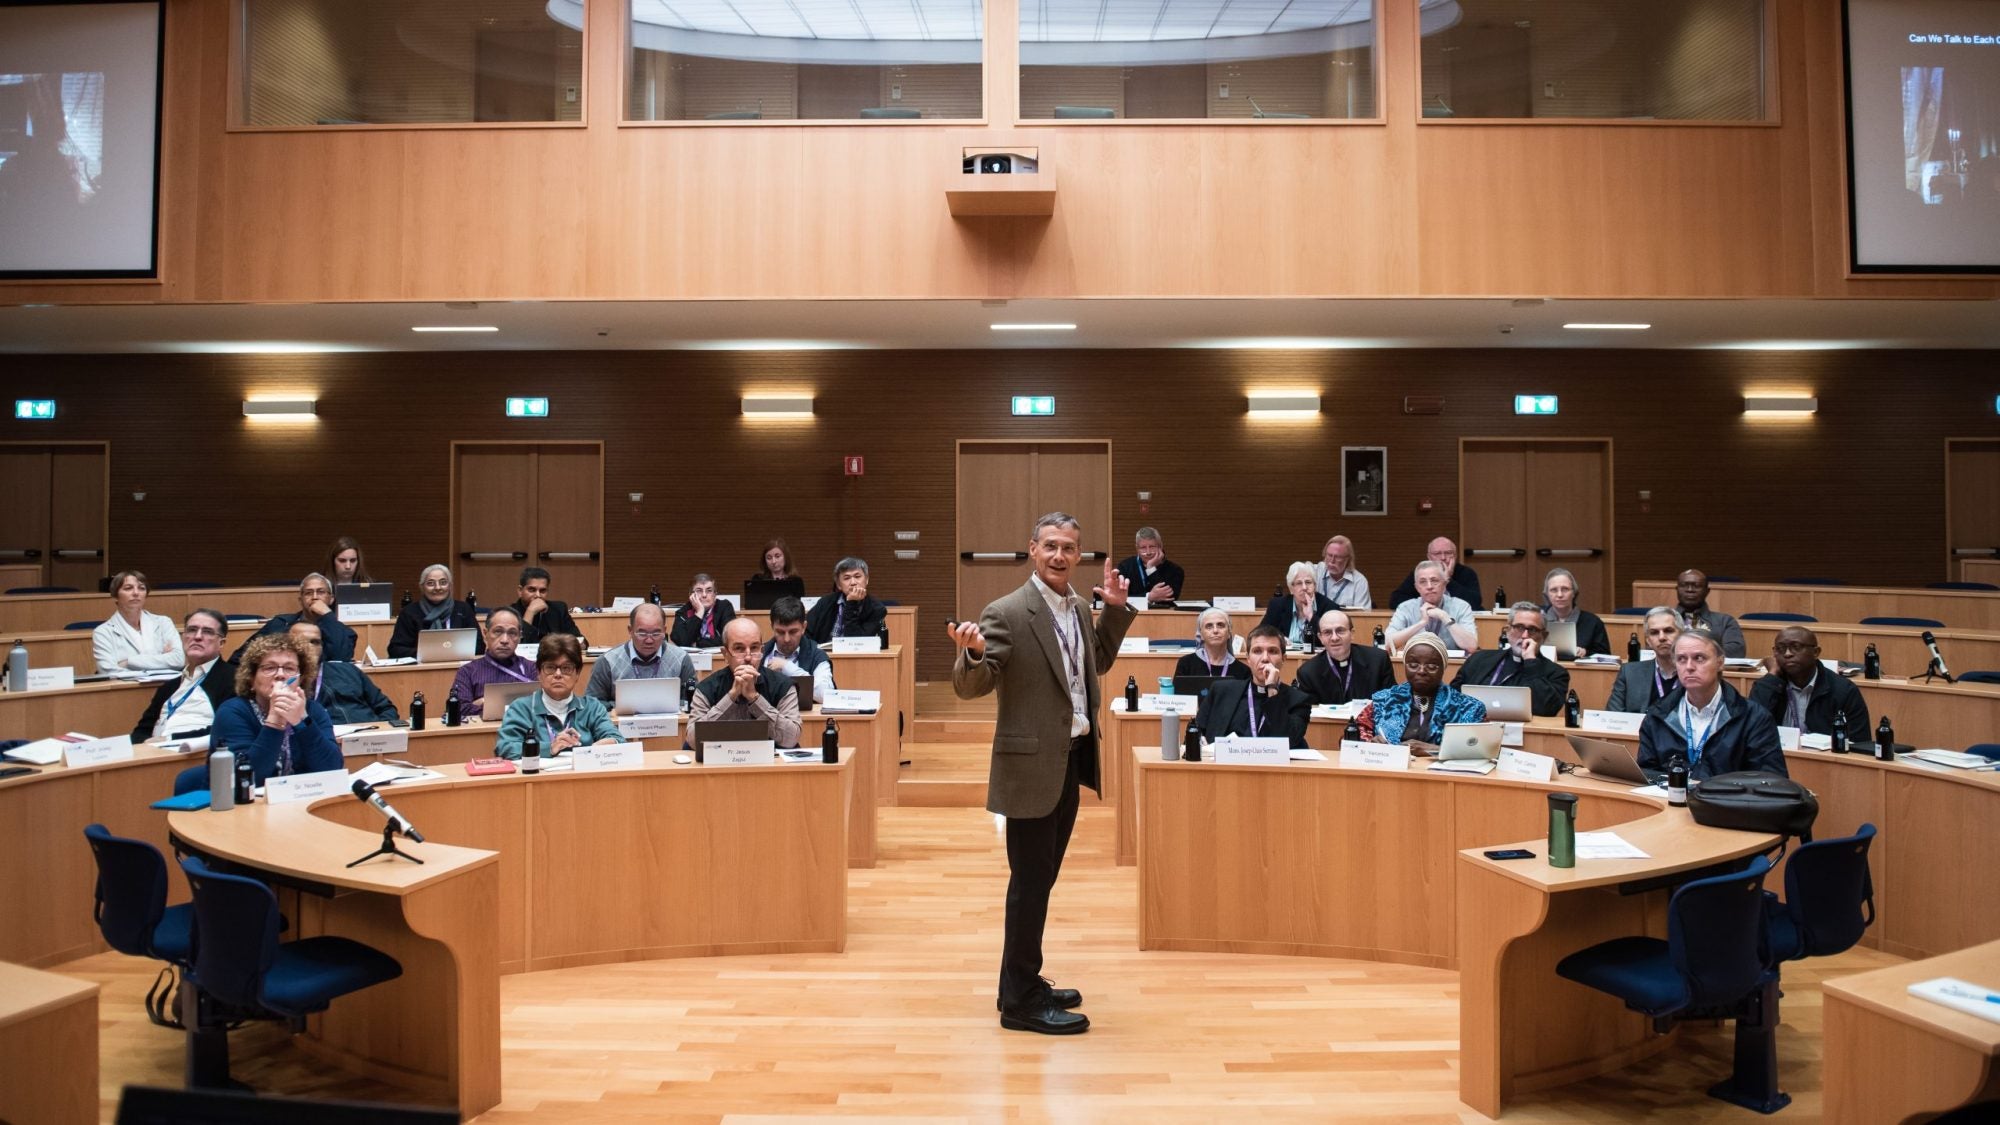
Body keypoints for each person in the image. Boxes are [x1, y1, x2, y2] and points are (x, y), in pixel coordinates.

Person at [949, 511, 1135, 1036]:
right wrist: (972, 653)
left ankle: (1019, 983)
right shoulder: (1007, 611)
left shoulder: (1077, 606)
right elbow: (973, 687)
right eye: (1050, 546)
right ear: (1032, 549)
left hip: (1071, 757)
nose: (1059, 556)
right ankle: (1022, 1002)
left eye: (1069, 548)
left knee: (1041, 880)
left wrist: (1114, 613)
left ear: (1079, 555)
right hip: (1030, 767)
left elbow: (1093, 661)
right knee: (1029, 884)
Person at [1638, 632, 1787, 781]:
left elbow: (1771, 780)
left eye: (1699, 658)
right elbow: (1645, 774)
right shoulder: (1657, 715)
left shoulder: (1754, 717)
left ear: (1720, 663)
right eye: (1681, 659)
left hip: (1727, 802)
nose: (1689, 667)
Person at [212, 633, 343, 783]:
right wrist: (275, 720)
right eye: (269, 668)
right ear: (251, 679)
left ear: (301, 679)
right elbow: (247, 780)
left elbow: (333, 770)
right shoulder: (233, 712)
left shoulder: (313, 711)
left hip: (302, 799)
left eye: (289, 668)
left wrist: (303, 722)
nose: (280, 675)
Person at [1354, 632, 1487, 752]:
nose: (1421, 671)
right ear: (1405, 665)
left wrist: (1435, 750)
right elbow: (1352, 736)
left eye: (1431, 666)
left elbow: (1482, 749)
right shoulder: (1384, 700)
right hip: (1392, 774)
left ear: (1443, 668)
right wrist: (1370, 744)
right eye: (1413, 665)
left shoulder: (1469, 707)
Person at [494, 634, 620, 760]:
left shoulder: (592, 708)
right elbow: (505, 748)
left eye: (566, 668)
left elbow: (618, 740)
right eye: (550, 667)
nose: (558, 674)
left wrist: (607, 744)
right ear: (538, 672)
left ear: (577, 673)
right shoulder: (521, 708)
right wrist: (549, 748)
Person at [688, 616, 803, 749]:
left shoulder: (783, 686)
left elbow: (791, 739)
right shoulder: (706, 688)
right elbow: (692, 740)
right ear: (725, 654)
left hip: (769, 766)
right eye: (739, 649)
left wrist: (755, 698)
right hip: (720, 765)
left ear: (762, 651)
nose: (748, 657)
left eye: (754, 648)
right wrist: (730, 698)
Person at [1193, 626, 1312, 748]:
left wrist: (1272, 688)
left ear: (1283, 659)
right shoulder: (1221, 691)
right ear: (1248, 659)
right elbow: (1194, 734)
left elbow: (1287, 741)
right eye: (1257, 651)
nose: (1265, 658)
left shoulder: (1299, 700)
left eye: (1272, 651)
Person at [1748, 626, 1871, 743]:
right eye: (1780, 648)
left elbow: (1859, 742)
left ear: (1816, 652)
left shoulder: (1843, 690)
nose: (1787, 654)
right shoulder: (1768, 686)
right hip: (1776, 758)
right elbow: (1751, 728)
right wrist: (1772, 675)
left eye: (1796, 647)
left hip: (1825, 760)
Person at [131, 610, 235, 741]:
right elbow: (140, 733)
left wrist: (170, 739)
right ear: (183, 637)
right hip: (152, 754)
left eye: (207, 632)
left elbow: (226, 729)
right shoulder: (168, 687)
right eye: (192, 630)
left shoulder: (233, 679)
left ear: (221, 643)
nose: (197, 637)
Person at [1452, 603, 1571, 716]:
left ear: (1544, 637)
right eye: (1519, 627)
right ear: (1508, 630)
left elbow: (1546, 709)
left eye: (1532, 630)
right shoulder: (1478, 659)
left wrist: (1530, 661)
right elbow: (1451, 698)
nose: (1525, 636)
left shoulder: (1557, 673)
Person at [585, 602, 698, 704]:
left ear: (664, 631)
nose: (649, 640)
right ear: (630, 630)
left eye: (656, 633)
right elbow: (591, 705)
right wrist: (619, 707)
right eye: (642, 633)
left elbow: (692, 702)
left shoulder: (681, 659)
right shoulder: (607, 661)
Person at [290, 620, 398, 723]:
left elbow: (386, 708)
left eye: (315, 642)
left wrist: (381, 732)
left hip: (369, 735)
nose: (310, 647)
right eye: (302, 641)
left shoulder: (349, 670)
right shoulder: (286, 680)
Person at [242, 573, 357, 663]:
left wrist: (327, 615)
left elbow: (341, 659)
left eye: (321, 592)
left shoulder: (344, 632)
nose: (315, 597)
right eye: (308, 593)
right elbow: (241, 656)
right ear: (300, 600)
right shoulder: (279, 624)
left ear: (331, 599)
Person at [449, 606, 537, 721]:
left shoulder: (531, 668)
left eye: (512, 633)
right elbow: (458, 709)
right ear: (485, 634)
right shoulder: (467, 671)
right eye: (498, 632)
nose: (504, 640)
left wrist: (484, 704)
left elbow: (540, 705)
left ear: (520, 636)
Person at [1294, 608, 1394, 706]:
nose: (1334, 638)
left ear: (1352, 634)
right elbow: (1308, 716)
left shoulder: (1378, 661)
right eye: (1327, 632)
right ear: (1320, 638)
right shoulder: (1308, 672)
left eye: (1340, 631)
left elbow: (1392, 703)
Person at [93, 569, 184, 674]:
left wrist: (129, 662)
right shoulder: (103, 632)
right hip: (126, 689)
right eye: (128, 588)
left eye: (141, 588)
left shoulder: (164, 623)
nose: (136, 593)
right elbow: (108, 671)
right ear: (115, 596)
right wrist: (161, 660)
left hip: (164, 686)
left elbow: (178, 660)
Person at [388, 564, 481, 659]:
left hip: (459, 666)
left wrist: (450, 651)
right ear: (422, 587)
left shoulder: (463, 609)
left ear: (450, 586)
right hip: (419, 668)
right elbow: (395, 650)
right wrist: (428, 652)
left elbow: (479, 646)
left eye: (443, 582)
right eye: (430, 583)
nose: (437, 587)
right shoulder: (409, 612)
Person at [1386, 561, 1479, 653]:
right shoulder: (1405, 607)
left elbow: (1471, 646)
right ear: (1417, 587)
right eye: (1423, 582)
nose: (1429, 586)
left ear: (1445, 584)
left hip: (1452, 665)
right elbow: (1388, 644)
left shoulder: (1461, 606)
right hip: (1416, 664)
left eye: (1434, 581)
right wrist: (1421, 623)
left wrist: (1444, 617)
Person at [762, 596, 836, 706]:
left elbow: (826, 695)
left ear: (804, 627)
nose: (786, 639)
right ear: (772, 627)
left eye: (793, 632)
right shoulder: (760, 653)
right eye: (780, 632)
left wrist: (787, 667)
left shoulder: (817, 655)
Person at [1605, 608, 1682, 713]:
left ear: (1682, 635)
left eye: (1668, 631)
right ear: (1648, 641)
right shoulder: (1630, 673)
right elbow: (1613, 717)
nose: (1662, 637)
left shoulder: (1696, 672)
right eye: (1654, 632)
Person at [805, 557, 887, 643]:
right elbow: (806, 632)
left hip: (856, 655)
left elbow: (855, 642)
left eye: (857, 576)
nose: (853, 582)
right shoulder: (825, 602)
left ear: (866, 580)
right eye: (847, 578)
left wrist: (851, 603)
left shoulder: (877, 609)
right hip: (822, 653)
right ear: (838, 584)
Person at [1387, 537, 1482, 610]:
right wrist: (1425, 605)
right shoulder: (1421, 573)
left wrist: (1447, 580)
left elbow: (1475, 603)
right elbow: (1395, 600)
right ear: (1429, 557)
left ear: (1455, 556)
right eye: (1437, 553)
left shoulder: (1466, 573)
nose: (1443, 557)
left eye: (1448, 553)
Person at [1259, 562, 1339, 646]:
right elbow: (1261, 632)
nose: (1304, 587)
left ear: (1315, 586)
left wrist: (1311, 617)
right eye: (1299, 583)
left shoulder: (1329, 607)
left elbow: (1331, 639)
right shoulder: (1277, 605)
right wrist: (1278, 638)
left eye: (1308, 582)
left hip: (1317, 658)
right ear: (1291, 588)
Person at [1672, 569, 1746, 657]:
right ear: (1677, 589)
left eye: (1697, 586)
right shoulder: (1663, 619)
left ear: (1707, 591)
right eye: (1684, 585)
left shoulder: (1725, 621)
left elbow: (1737, 651)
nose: (1690, 590)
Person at [1540, 568, 1611, 658]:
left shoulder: (1593, 622)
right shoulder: (1538, 619)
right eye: (1553, 590)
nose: (1559, 595)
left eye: (1565, 589)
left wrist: (1586, 653)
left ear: (1574, 593)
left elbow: (1605, 656)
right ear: (1547, 594)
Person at [509, 566, 581, 645]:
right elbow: (515, 645)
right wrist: (530, 612)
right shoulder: (509, 614)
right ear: (520, 591)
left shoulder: (558, 609)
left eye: (542, 591)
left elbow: (580, 640)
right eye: (532, 590)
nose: (538, 595)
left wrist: (577, 642)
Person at [1173, 607, 1250, 680]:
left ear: (1229, 633)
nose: (1215, 630)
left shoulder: (1243, 671)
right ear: (1201, 635)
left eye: (1220, 625)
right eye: (1209, 626)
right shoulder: (1186, 664)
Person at [1115, 526, 1183, 606]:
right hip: (1133, 616)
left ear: (1160, 546)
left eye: (1152, 547)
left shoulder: (1175, 570)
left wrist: (1151, 568)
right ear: (1137, 548)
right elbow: (1120, 599)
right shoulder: (1124, 567)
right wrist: (1149, 597)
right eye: (1143, 548)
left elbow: (1168, 599)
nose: (1148, 552)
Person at [671, 573, 736, 648]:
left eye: (709, 591)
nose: (704, 595)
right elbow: (682, 641)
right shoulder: (682, 612)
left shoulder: (724, 607)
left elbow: (730, 638)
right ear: (691, 595)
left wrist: (698, 644)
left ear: (715, 595)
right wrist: (699, 612)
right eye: (699, 591)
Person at [1312, 535, 1372, 609]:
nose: (1332, 561)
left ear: (1348, 559)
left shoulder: (1359, 581)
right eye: (1329, 555)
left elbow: (1363, 616)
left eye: (1338, 557)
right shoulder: (1315, 571)